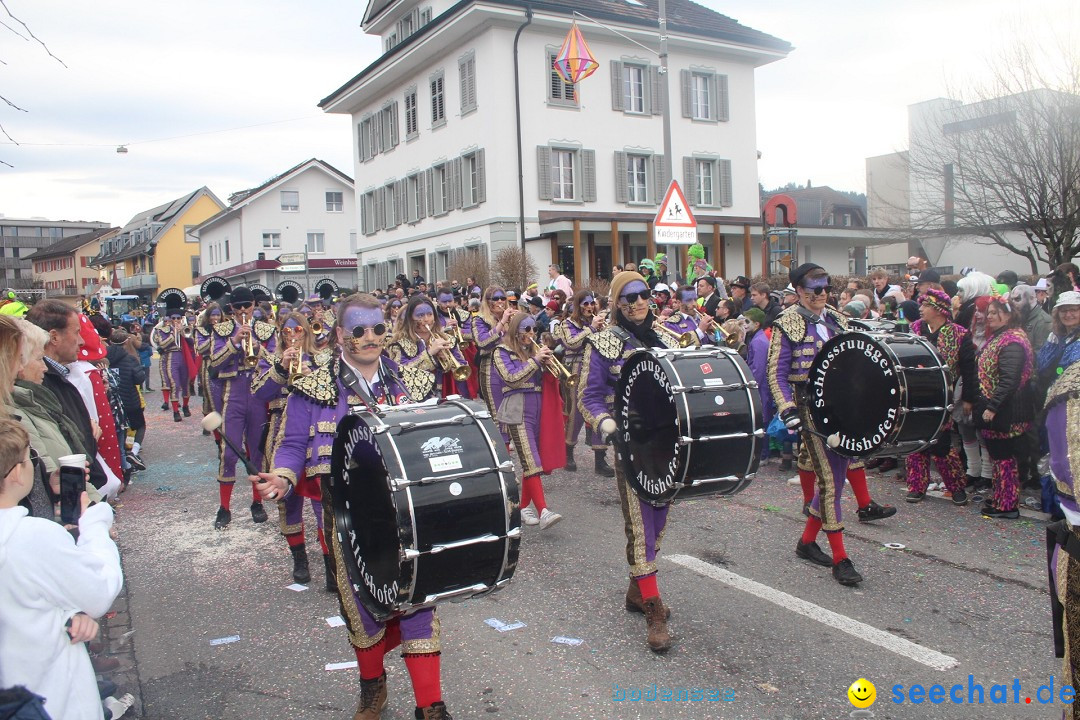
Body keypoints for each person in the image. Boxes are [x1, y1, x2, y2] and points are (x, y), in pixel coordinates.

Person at [252, 293, 453, 720]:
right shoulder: (313, 385)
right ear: (341, 334)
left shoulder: (411, 381)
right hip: (346, 518)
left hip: (408, 514)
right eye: (359, 330)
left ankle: (430, 705)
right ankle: (372, 691)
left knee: (418, 600)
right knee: (362, 608)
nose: (370, 338)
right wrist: (283, 477)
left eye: (378, 329)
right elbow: (291, 445)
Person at [577, 272, 680, 652]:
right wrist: (607, 425)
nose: (638, 302)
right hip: (631, 446)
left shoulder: (670, 338)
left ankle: (638, 591)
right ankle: (653, 609)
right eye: (629, 297)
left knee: (659, 521)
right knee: (640, 527)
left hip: (668, 445)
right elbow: (587, 397)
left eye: (644, 295)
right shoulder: (602, 343)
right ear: (617, 304)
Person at [0, 418, 124, 720]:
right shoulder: (31, 537)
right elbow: (98, 590)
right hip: (46, 696)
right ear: (17, 473)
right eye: (31, 458)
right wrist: (94, 524)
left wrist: (65, 613)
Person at [768, 263, 863, 586]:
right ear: (798, 291)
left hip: (843, 409)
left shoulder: (839, 319)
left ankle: (807, 541)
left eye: (826, 289)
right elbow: (776, 374)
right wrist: (787, 409)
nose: (822, 295)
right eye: (815, 289)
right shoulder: (787, 323)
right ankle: (841, 559)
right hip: (809, 410)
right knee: (831, 482)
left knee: (834, 479)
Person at [26, 301, 117, 499]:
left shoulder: (60, 376)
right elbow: (70, 449)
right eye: (76, 332)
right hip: (70, 494)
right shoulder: (42, 384)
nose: (82, 341)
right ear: (54, 337)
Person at [208, 286, 276, 529]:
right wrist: (235, 342)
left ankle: (257, 503)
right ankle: (224, 507)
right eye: (238, 307)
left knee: (256, 452)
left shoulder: (267, 330)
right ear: (231, 309)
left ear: (254, 305)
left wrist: (257, 347)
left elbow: (275, 361)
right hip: (233, 393)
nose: (243, 311)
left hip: (258, 393)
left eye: (247, 306)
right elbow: (214, 362)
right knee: (228, 452)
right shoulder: (222, 330)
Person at [493, 311, 564, 529]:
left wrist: (551, 363)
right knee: (531, 460)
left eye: (534, 329)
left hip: (538, 407)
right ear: (516, 330)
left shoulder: (533, 350)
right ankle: (543, 510)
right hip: (517, 409)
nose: (531, 333)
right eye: (527, 329)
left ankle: (523, 506)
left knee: (531, 460)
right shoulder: (501, 351)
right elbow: (511, 378)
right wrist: (535, 361)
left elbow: (553, 377)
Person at [903, 289, 973, 505]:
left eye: (925, 306)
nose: (920, 309)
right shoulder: (913, 330)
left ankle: (956, 486)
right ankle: (916, 485)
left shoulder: (960, 334)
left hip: (943, 395)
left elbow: (969, 369)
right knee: (915, 440)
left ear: (939, 310)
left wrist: (969, 398)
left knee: (941, 443)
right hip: (915, 393)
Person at [974, 297, 1034, 519]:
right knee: (999, 458)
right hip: (999, 408)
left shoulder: (1012, 341)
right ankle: (1001, 497)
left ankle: (1007, 505)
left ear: (1008, 315)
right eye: (988, 312)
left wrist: (993, 406)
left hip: (1008, 411)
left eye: (994, 312)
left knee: (1005, 458)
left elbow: (1009, 380)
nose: (989, 316)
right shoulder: (1000, 337)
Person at [555, 290, 610, 475]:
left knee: (599, 410)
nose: (589, 307)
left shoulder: (597, 321)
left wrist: (604, 329)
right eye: (585, 304)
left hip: (596, 370)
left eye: (591, 304)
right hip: (575, 370)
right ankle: (567, 451)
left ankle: (600, 459)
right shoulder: (566, 324)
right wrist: (591, 328)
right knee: (576, 413)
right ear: (577, 306)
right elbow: (571, 343)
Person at [106, 330, 147, 474]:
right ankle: (133, 452)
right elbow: (139, 379)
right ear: (126, 342)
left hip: (112, 401)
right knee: (140, 426)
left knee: (120, 431)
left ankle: (124, 462)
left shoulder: (104, 357)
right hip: (130, 400)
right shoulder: (130, 359)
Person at [150, 292, 192, 422]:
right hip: (170, 358)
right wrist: (174, 333)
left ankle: (185, 406)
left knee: (186, 385)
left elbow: (192, 343)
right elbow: (162, 344)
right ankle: (175, 411)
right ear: (169, 319)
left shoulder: (185, 328)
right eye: (174, 318)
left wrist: (184, 333)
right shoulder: (161, 330)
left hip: (183, 358)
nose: (176, 321)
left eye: (178, 318)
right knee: (175, 384)